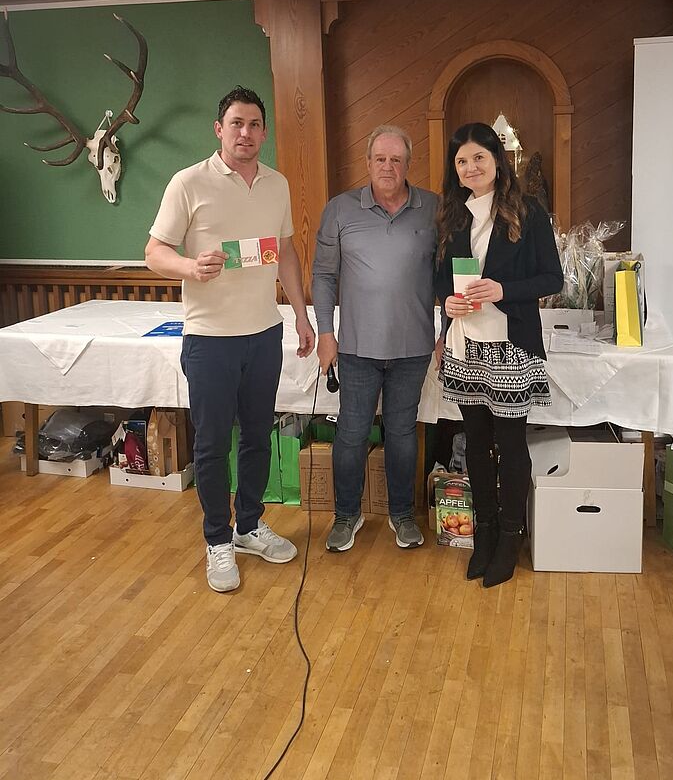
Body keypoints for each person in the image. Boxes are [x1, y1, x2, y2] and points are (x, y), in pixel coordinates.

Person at [145, 86, 314, 593]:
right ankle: (218, 540)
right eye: (236, 123)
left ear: (264, 133)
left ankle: (249, 527)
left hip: (263, 333)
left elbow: (286, 252)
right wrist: (190, 267)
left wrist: (301, 316)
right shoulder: (188, 182)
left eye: (255, 124)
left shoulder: (277, 184)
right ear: (219, 129)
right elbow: (154, 251)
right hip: (211, 339)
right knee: (214, 444)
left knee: (259, 436)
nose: (246, 132)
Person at [435, 122, 563, 588]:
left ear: (497, 160)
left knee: (510, 445)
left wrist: (503, 289)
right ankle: (484, 533)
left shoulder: (527, 211)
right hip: (464, 344)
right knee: (474, 443)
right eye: (461, 161)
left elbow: (552, 278)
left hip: (510, 346)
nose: (471, 168)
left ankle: (510, 536)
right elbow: (439, 279)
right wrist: (446, 303)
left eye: (479, 158)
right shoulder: (452, 215)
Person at [312, 125, 438, 553]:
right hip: (356, 348)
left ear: (408, 164)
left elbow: (451, 274)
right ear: (367, 163)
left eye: (396, 160)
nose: (388, 167)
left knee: (402, 434)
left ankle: (402, 515)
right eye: (380, 159)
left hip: (413, 347)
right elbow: (323, 275)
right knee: (351, 433)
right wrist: (325, 332)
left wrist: (448, 331)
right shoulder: (340, 210)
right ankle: (346, 515)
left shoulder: (433, 209)